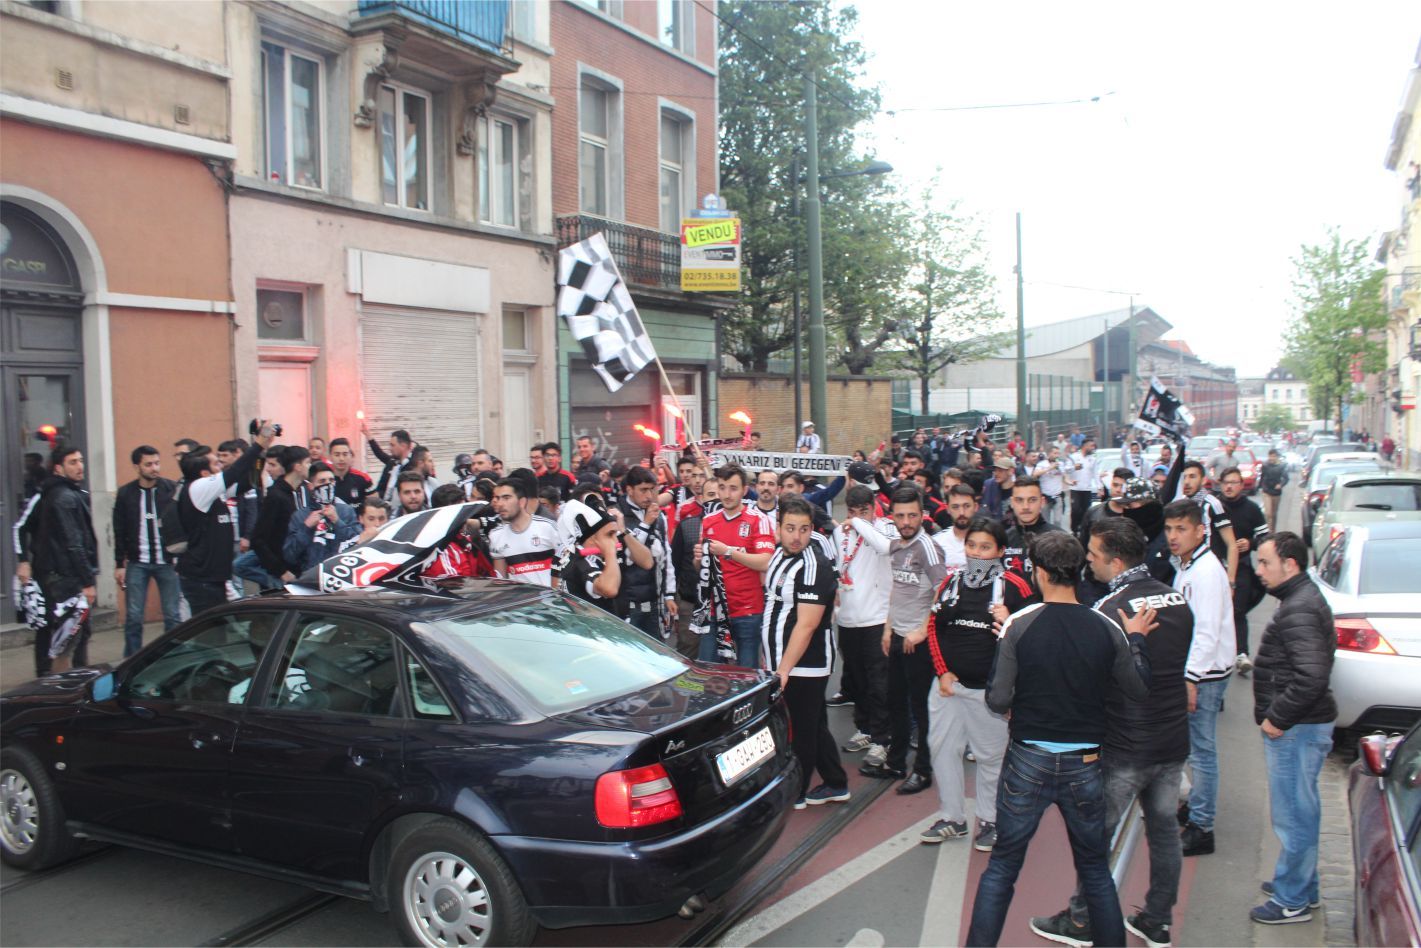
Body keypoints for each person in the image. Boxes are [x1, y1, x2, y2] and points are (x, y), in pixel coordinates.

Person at [965, 532, 1156, 948]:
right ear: (1078, 570)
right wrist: (1137, 639)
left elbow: (997, 699)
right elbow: (1139, 688)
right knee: (1094, 870)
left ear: (1039, 572)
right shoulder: (1107, 626)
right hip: (1085, 763)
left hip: (1028, 759)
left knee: (1002, 868)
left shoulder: (1019, 624)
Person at [1030, 518, 1195, 948]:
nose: (1088, 562)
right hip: (1172, 740)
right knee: (1164, 833)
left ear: (1116, 561)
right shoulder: (1178, 599)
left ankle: (1082, 921)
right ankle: (1157, 920)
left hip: (1126, 746)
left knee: (1094, 838)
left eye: (1093, 555)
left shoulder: (1108, 610)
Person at [919, 517, 1035, 850]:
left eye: (985, 548)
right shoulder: (952, 582)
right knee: (942, 750)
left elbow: (1034, 640)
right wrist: (942, 671)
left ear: (1000, 551)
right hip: (948, 688)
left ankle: (990, 820)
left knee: (990, 758)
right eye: (971, 545)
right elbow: (933, 627)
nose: (976, 553)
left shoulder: (1015, 587)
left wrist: (1010, 621)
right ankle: (952, 817)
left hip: (990, 693)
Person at [1249, 532, 1337, 926]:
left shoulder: (1299, 606)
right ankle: (1301, 885)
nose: (1259, 570)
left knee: (1294, 816)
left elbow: (1312, 676)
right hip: (1302, 725)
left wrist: (1277, 717)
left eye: (1265, 562)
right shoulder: (1300, 599)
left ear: (1291, 564)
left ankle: (1292, 900)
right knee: (1300, 811)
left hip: (1297, 728)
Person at [763, 496, 851, 809]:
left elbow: (807, 625)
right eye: (790, 528)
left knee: (801, 728)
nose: (796, 536)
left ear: (812, 528)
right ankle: (836, 781)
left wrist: (783, 670)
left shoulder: (814, 566)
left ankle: (797, 792)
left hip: (805, 664)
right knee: (814, 724)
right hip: (784, 660)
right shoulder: (779, 553)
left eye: (803, 529)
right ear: (778, 528)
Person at [1163, 498, 1235, 858]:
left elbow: (1206, 630)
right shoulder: (1188, 565)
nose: (1173, 536)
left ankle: (1202, 826)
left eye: (1181, 529)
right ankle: (1196, 808)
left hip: (1206, 673)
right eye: (1169, 529)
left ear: (1200, 530)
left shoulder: (1205, 571)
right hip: (1198, 669)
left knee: (1202, 752)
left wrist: (1190, 677)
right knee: (1195, 748)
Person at [869, 487, 948, 793]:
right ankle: (896, 762)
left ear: (922, 515)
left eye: (912, 515)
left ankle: (924, 771)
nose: (906, 522)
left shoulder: (928, 547)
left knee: (922, 708)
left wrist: (922, 630)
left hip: (919, 642)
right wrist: (888, 628)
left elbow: (944, 592)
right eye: (900, 516)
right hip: (898, 637)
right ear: (892, 516)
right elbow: (898, 589)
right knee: (896, 703)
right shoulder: (897, 546)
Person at [832, 484, 897, 770]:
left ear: (874, 509)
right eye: (852, 511)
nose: (857, 516)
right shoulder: (839, 534)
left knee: (878, 684)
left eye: (864, 511)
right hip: (848, 619)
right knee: (857, 682)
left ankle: (883, 739)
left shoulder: (885, 529)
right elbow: (839, 568)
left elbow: (885, 547)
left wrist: (859, 523)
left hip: (877, 620)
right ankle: (865, 728)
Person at [174, 429, 273, 615]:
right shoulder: (197, 488)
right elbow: (234, 472)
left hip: (214, 577)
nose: (220, 466)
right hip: (202, 578)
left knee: (222, 627)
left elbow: (251, 481)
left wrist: (261, 453)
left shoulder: (213, 492)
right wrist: (258, 444)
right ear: (205, 473)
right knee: (211, 630)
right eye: (215, 463)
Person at [25, 444, 99, 675]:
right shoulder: (63, 497)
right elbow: (73, 542)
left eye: (80, 461)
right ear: (58, 468)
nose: (80, 466)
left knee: (67, 634)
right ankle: (67, 683)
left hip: (61, 575)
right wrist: (87, 581)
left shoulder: (63, 493)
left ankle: (60, 678)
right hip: (67, 578)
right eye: (72, 462)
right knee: (70, 636)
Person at [697, 464, 775, 665]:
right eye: (722, 488)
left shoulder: (759, 520)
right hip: (714, 611)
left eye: (733, 488)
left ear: (744, 490)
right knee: (708, 671)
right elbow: (701, 569)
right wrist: (698, 559)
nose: (727, 494)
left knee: (746, 674)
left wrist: (729, 552)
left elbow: (766, 562)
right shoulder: (708, 521)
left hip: (747, 610)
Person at [112, 445, 182, 657]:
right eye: (149, 464)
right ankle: (131, 659)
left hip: (167, 562)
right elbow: (119, 529)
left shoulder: (170, 489)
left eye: (157, 463)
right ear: (137, 467)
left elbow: (181, 523)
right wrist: (119, 564)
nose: (155, 468)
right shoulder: (126, 494)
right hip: (138, 562)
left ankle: (172, 658)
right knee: (134, 617)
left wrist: (180, 556)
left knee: (172, 615)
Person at [1218, 466, 1268, 673]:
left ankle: (1241, 653)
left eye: (1233, 482)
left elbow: (1265, 537)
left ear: (1241, 485)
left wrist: (1250, 543)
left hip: (1242, 566)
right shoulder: (1214, 507)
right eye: (1226, 482)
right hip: (1216, 567)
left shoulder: (1252, 509)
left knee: (1238, 609)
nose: (1229, 487)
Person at [618, 465, 675, 639]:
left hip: (656, 602)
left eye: (652, 489)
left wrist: (669, 594)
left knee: (658, 650)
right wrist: (645, 525)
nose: (649, 496)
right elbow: (628, 557)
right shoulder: (618, 516)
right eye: (643, 490)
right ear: (630, 490)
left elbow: (667, 555)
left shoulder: (659, 516)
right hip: (629, 605)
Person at [246, 445, 310, 591]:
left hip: (297, 568)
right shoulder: (276, 496)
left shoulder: (298, 491)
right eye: (307, 462)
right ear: (297, 467)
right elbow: (258, 539)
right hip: (282, 575)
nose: (309, 466)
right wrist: (281, 571)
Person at [283, 461, 359, 574]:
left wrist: (337, 522)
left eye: (331, 480)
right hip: (311, 576)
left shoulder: (346, 511)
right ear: (311, 486)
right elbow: (289, 555)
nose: (328, 485)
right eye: (322, 481)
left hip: (341, 574)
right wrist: (306, 527)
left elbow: (358, 544)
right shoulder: (300, 516)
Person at [489, 476, 561, 587]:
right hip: (520, 598)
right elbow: (501, 581)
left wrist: (556, 594)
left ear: (522, 502)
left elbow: (566, 564)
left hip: (551, 596)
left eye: (506, 498)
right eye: (498, 498)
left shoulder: (547, 527)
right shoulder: (496, 536)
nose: (500, 504)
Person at [1002, 476, 1066, 580]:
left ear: (1042, 502)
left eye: (1032, 500)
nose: (1026, 506)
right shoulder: (1003, 539)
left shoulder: (1061, 541)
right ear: (1012, 503)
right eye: (1019, 500)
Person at [366, 426, 416, 504]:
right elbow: (380, 454)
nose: (390, 449)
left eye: (393, 445)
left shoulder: (413, 468)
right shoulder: (392, 463)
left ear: (403, 446)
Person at [933, 484, 980, 569]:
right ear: (948, 509)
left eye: (967, 506)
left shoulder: (990, 541)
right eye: (955, 507)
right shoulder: (936, 543)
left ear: (975, 507)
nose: (961, 512)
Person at [327, 438, 372, 507]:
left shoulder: (363, 478)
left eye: (345, 454)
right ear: (330, 457)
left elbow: (374, 504)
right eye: (337, 455)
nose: (341, 459)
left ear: (350, 456)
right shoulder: (325, 480)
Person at [1067, 438, 1100, 530]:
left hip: (1087, 489)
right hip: (1075, 489)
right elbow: (1066, 470)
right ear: (1084, 446)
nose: (1093, 448)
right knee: (1076, 509)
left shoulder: (1093, 459)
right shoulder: (1073, 457)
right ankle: (1074, 528)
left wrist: (1099, 487)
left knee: (1086, 511)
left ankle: (1083, 529)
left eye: (1093, 446)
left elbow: (1096, 474)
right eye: (1091, 446)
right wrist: (1074, 467)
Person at [1032, 446, 1068, 528]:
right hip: (1045, 496)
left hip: (1057, 495)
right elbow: (1035, 474)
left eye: (1058, 453)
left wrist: (1070, 482)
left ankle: (1057, 534)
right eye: (1055, 453)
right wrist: (1050, 468)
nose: (1057, 455)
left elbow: (1065, 477)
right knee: (1045, 520)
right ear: (1049, 454)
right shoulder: (1042, 464)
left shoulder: (1061, 464)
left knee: (1057, 521)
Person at [1258, 448, 1289, 533]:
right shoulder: (1265, 465)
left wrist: (1281, 485)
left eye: (1274, 456)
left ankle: (1273, 531)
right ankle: (1268, 531)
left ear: (1277, 457)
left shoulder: (1281, 466)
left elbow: (1286, 478)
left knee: (1274, 514)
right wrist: (1260, 487)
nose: (1272, 458)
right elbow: (1262, 476)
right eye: (1270, 456)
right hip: (1266, 491)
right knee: (1268, 513)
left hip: (1276, 493)